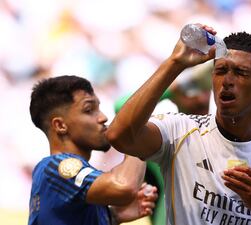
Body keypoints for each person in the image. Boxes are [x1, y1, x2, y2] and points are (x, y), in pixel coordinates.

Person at [106, 24, 251, 225]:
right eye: (220, 71)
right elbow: (118, 135)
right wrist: (175, 64)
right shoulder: (179, 132)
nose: (227, 81)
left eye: (240, 73)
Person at [28, 75, 158, 225]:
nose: (103, 117)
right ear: (60, 125)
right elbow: (123, 186)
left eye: (99, 108)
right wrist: (133, 133)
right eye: (89, 110)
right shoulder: (55, 167)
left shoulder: (80, 190)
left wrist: (112, 216)